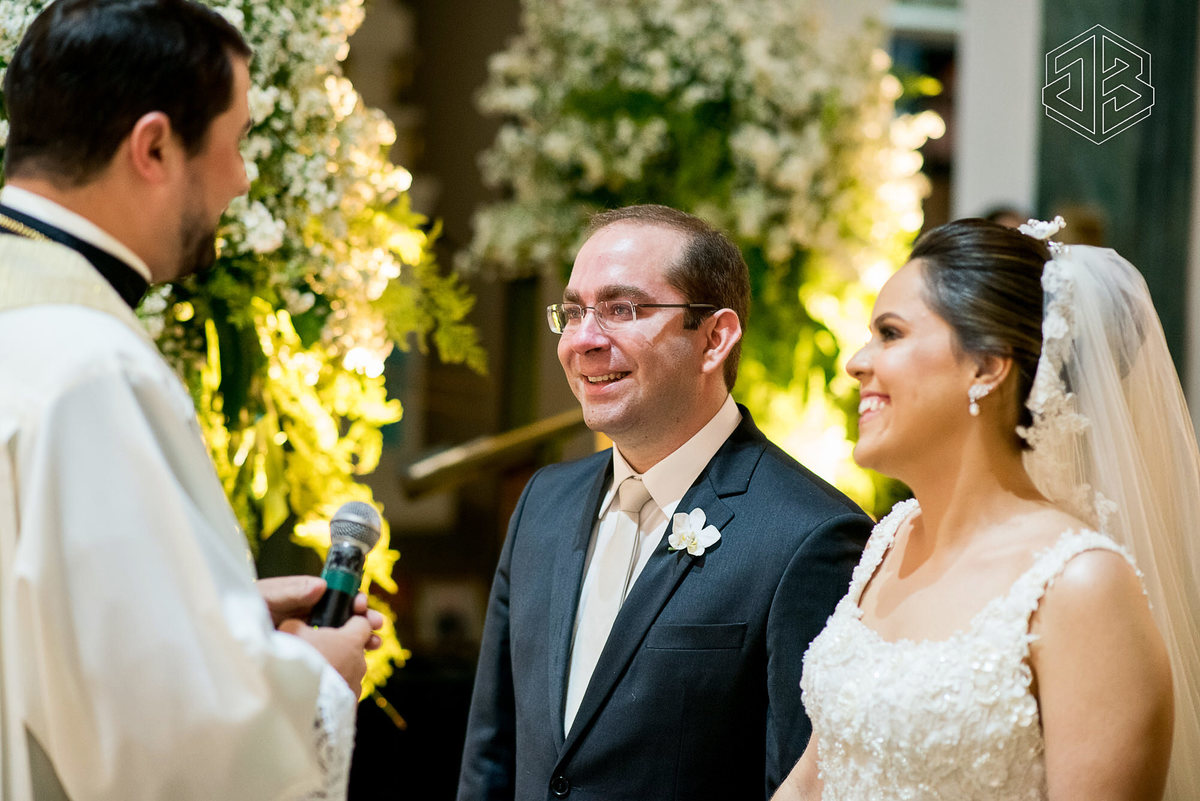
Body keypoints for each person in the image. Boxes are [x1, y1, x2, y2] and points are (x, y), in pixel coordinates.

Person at [0, 1, 381, 799]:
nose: (242, 179)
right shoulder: (90, 367)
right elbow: (172, 750)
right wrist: (314, 675)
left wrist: (213, 613)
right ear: (154, 147)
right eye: (235, 142)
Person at [456, 204, 872, 800]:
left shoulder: (810, 535)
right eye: (572, 312)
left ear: (714, 338)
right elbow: (491, 753)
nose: (583, 340)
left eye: (621, 309)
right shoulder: (543, 502)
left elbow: (803, 782)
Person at [775, 217, 1200, 800]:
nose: (856, 362)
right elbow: (813, 777)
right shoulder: (890, 539)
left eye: (890, 334)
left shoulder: (1080, 584)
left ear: (987, 365)